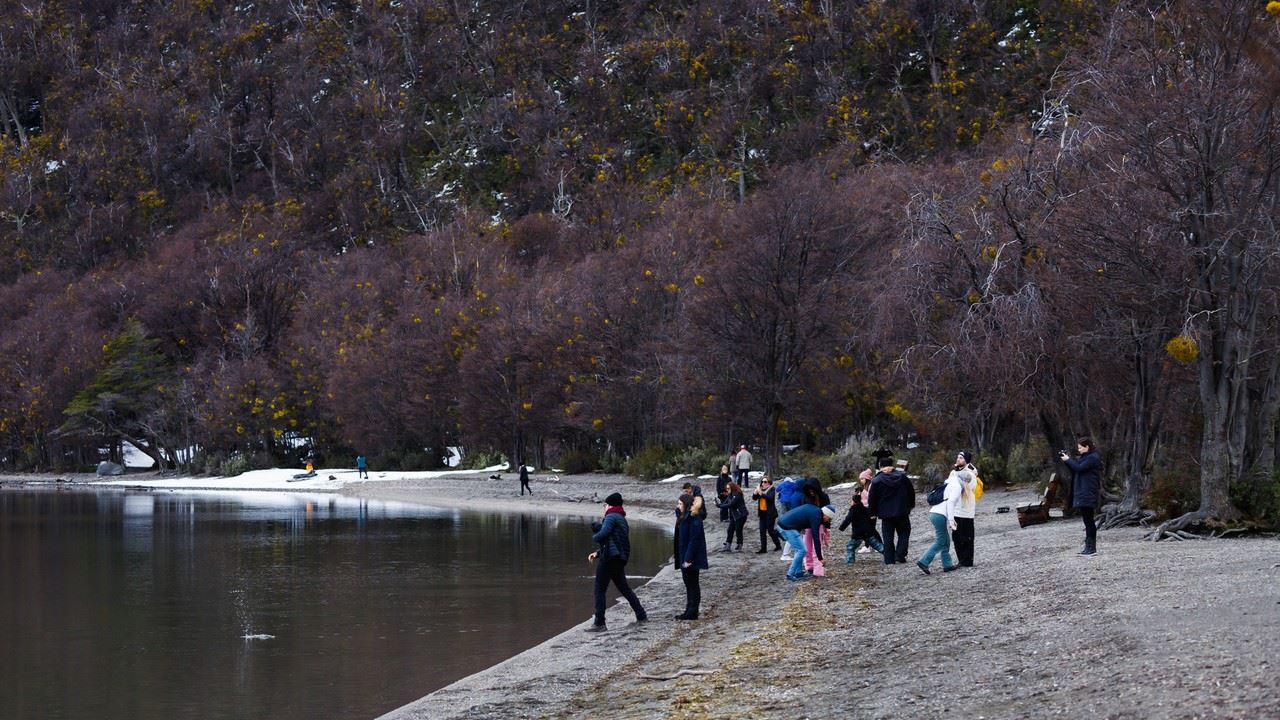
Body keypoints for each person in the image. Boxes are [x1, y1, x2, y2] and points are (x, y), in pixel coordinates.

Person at [586, 492, 647, 631]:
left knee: (599, 590)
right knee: (624, 589)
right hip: (619, 558)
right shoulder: (621, 518)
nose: (604, 507)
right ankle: (641, 614)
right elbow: (614, 543)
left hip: (610, 560)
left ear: (610, 505)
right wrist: (597, 554)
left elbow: (604, 534)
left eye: (605, 505)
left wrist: (595, 532)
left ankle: (600, 623)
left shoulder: (611, 516)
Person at [916, 466, 969, 574]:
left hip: (935, 513)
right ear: (965, 481)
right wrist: (951, 520)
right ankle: (924, 561)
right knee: (940, 541)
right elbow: (950, 503)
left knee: (946, 540)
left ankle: (947, 564)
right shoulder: (957, 486)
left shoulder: (950, 483)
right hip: (939, 515)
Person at [867, 458, 915, 565]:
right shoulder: (902, 477)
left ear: (880, 466)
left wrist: (872, 513)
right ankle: (900, 555)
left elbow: (872, 499)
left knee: (888, 537)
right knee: (904, 533)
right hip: (902, 511)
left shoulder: (877, 480)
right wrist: (911, 505)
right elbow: (911, 492)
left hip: (886, 514)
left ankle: (889, 560)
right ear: (892, 465)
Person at [1061, 438, 1102, 556]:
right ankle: (1088, 547)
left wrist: (1068, 460)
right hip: (1084, 492)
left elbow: (1079, 468)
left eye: (1080, 447)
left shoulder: (1092, 458)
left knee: (1089, 521)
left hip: (1088, 493)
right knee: (1087, 520)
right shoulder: (1086, 458)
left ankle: (1091, 548)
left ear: (1087, 447)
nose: (1078, 450)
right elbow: (1076, 468)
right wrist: (1067, 460)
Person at [776, 501, 834, 581]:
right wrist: (820, 558)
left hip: (783, 524)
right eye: (829, 519)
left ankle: (798, 573)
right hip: (787, 528)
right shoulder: (816, 517)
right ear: (826, 515)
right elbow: (816, 538)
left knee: (799, 549)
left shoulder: (815, 510)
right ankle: (790, 575)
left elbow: (801, 516)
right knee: (802, 550)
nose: (828, 521)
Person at [673, 493, 709, 620]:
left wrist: (688, 559)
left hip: (690, 557)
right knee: (688, 584)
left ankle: (693, 611)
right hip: (684, 555)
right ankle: (689, 609)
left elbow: (694, 540)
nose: (678, 506)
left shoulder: (694, 518)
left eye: (680, 504)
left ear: (686, 505)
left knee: (693, 584)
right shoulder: (683, 517)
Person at [839, 492, 885, 563]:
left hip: (858, 533)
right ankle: (891, 555)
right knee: (877, 546)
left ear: (854, 501)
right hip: (867, 531)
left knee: (850, 546)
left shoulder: (853, 510)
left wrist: (841, 528)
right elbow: (871, 518)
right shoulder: (865, 509)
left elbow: (847, 520)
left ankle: (850, 561)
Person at [951, 451, 979, 566]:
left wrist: (956, 473)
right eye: (958, 457)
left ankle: (968, 560)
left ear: (966, 460)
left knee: (966, 537)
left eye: (961, 458)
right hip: (956, 510)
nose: (958, 459)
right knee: (956, 537)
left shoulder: (970, 474)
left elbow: (966, 486)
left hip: (966, 511)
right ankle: (961, 559)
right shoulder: (955, 472)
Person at [751, 477, 783, 553]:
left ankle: (778, 545)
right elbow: (754, 498)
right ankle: (763, 549)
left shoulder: (772, 490)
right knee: (762, 531)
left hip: (770, 514)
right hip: (762, 513)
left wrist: (760, 493)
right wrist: (755, 493)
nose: (763, 483)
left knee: (770, 531)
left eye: (765, 482)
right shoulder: (761, 490)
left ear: (769, 483)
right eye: (762, 482)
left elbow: (769, 498)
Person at [715, 482, 748, 552]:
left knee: (738, 530)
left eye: (728, 488)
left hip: (741, 515)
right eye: (726, 488)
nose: (727, 490)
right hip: (734, 515)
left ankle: (739, 545)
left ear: (732, 488)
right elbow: (725, 503)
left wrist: (719, 506)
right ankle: (728, 545)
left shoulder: (737, 494)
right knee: (730, 529)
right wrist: (719, 504)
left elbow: (730, 504)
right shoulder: (730, 495)